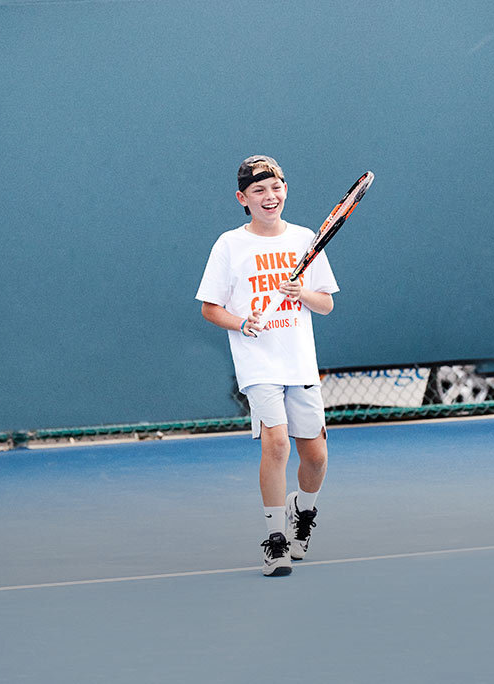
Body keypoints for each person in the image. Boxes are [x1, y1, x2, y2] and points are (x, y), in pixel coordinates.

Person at [195, 155, 338, 576]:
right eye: (258, 191)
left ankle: (302, 513)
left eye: (274, 188)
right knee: (276, 444)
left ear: (285, 190)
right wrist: (241, 322)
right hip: (258, 364)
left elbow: (326, 304)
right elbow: (209, 308)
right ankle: (275, 540)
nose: (268, 197)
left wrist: (302, 293)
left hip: (299, 364)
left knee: (315, 455)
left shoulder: (305, 239)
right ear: (243, 198)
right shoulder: (228, 245)